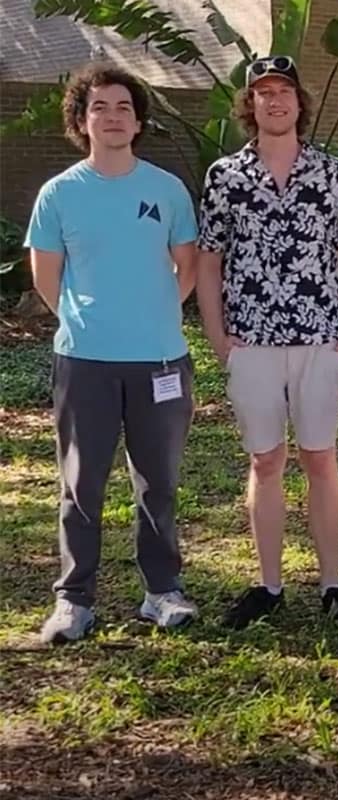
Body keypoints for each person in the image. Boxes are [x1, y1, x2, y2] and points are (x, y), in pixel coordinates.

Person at [26, 63, 199, 643]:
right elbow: (47, 277)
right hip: (86, 362)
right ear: (82, 119)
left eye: (124, 106)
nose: (113, 116)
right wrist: (91, 323)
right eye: (100, 107)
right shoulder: (59, 194)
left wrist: (150, 316)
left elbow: (188, 266)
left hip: (159, 360)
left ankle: (162, 591)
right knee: (82, 483)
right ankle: (74, 599)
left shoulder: (165, 189)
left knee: (159, 482)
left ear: (139, 119)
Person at [196, 56, 338, 629]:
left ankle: (333, 584)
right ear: (251, 104)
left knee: (320, 457)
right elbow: (209, 259)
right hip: (253, 341)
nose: (275, 101)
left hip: (321, 338)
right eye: (263, 93)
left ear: (299, 102)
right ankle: (268, 585)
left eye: (284, 92)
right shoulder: (225, 176)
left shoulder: (335, 174)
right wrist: (220, 339)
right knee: (265, 460)